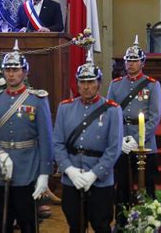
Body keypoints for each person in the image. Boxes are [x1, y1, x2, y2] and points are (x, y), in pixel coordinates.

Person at [0, 41, 54, 233]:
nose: (11, 73)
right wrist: (0, 155)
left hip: (27, 170)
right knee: (1, 221)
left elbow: (46, 139)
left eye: (16, 69)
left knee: (28, 221)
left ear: (25, 72)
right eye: (8, 69)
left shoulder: (37, 100)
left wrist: (44, 174)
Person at [54, 53, 123, 233]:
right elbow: (58, 143)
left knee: (101, 225)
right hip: (72, 177)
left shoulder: (113, 110)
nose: (86, 86)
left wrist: (94, 174)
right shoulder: (65, 107)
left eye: (91, 82)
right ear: (77, 83)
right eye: (82, 82)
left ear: (99, 83)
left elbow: (114, 148)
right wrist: (68, 169)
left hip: (100, 179)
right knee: (75, 225)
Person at [107, 36, 161, 229]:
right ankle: (121, 223)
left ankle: (149, 222)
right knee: (121, 186)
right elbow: (110, 114)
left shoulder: (152, 85)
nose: (130, 64)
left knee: (147, 185)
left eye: (134, 60)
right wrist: (120, 139)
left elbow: (155, 118)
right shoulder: (115, 85)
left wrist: (138, 139)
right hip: (121, 142)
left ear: (142, 62)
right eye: (128, 60)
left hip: (145, 144)